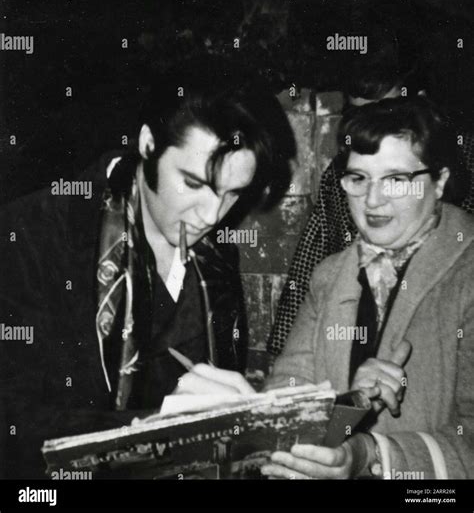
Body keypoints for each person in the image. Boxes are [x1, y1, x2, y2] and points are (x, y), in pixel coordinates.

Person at [0, 63, 294, 478]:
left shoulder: (214, 255)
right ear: (148, 143)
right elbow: (12, 429)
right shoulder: (30, 235)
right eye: (193, 184)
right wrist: (155, 430)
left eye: (233, 194)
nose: (212, 215)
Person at [263, 96, 474, 479]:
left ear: (440, 181)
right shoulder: (329, 276)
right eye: (359, 179)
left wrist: (373, 454)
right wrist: (349, 404)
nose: (372, 201)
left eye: (396, 179)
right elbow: (285, 406)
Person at [268, 45, 473, 357]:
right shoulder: (340, 173)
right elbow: (311, 258)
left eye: (386, 109)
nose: (374, 199)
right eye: (358, 113)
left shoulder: (461, 154)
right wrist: (283, 350)